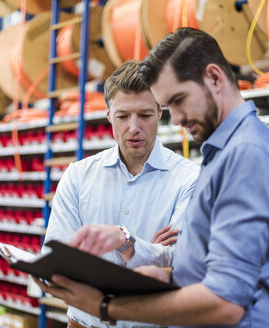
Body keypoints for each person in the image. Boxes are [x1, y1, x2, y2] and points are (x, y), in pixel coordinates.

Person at [35, 28, 269, 328]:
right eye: (169, 106)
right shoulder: (221, 154)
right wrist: (167, 272)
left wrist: (106, 305)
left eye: (177, 100)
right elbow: (213, 269)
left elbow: (227, 302)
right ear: (109, 116)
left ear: (214, 78)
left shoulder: (247, 156)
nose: (175, 119)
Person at [42, 59, 199, 328]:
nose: (134, 127)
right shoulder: (78, 176)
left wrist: (125, 243)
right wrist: (151, 251)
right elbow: (56, 267)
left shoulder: (190, 179)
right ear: (109, 117)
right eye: (123, 116)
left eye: (145, 115)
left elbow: (187, 272)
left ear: (160, 113)